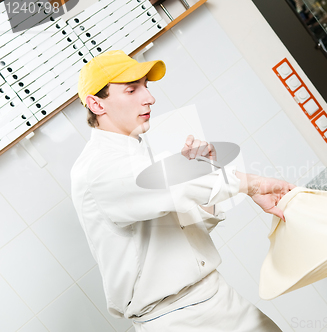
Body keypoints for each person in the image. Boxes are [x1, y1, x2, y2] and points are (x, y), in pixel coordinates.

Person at [71, 50, 295, 331]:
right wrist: (250, 184)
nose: (149, 98)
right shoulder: (97, 168)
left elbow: (191, 226)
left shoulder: (140, 155)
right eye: (131, 90)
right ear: (96, 104)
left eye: (146, 87)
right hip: (174, 318)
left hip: (216, 295)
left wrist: (205, 169)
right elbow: (176, 189)